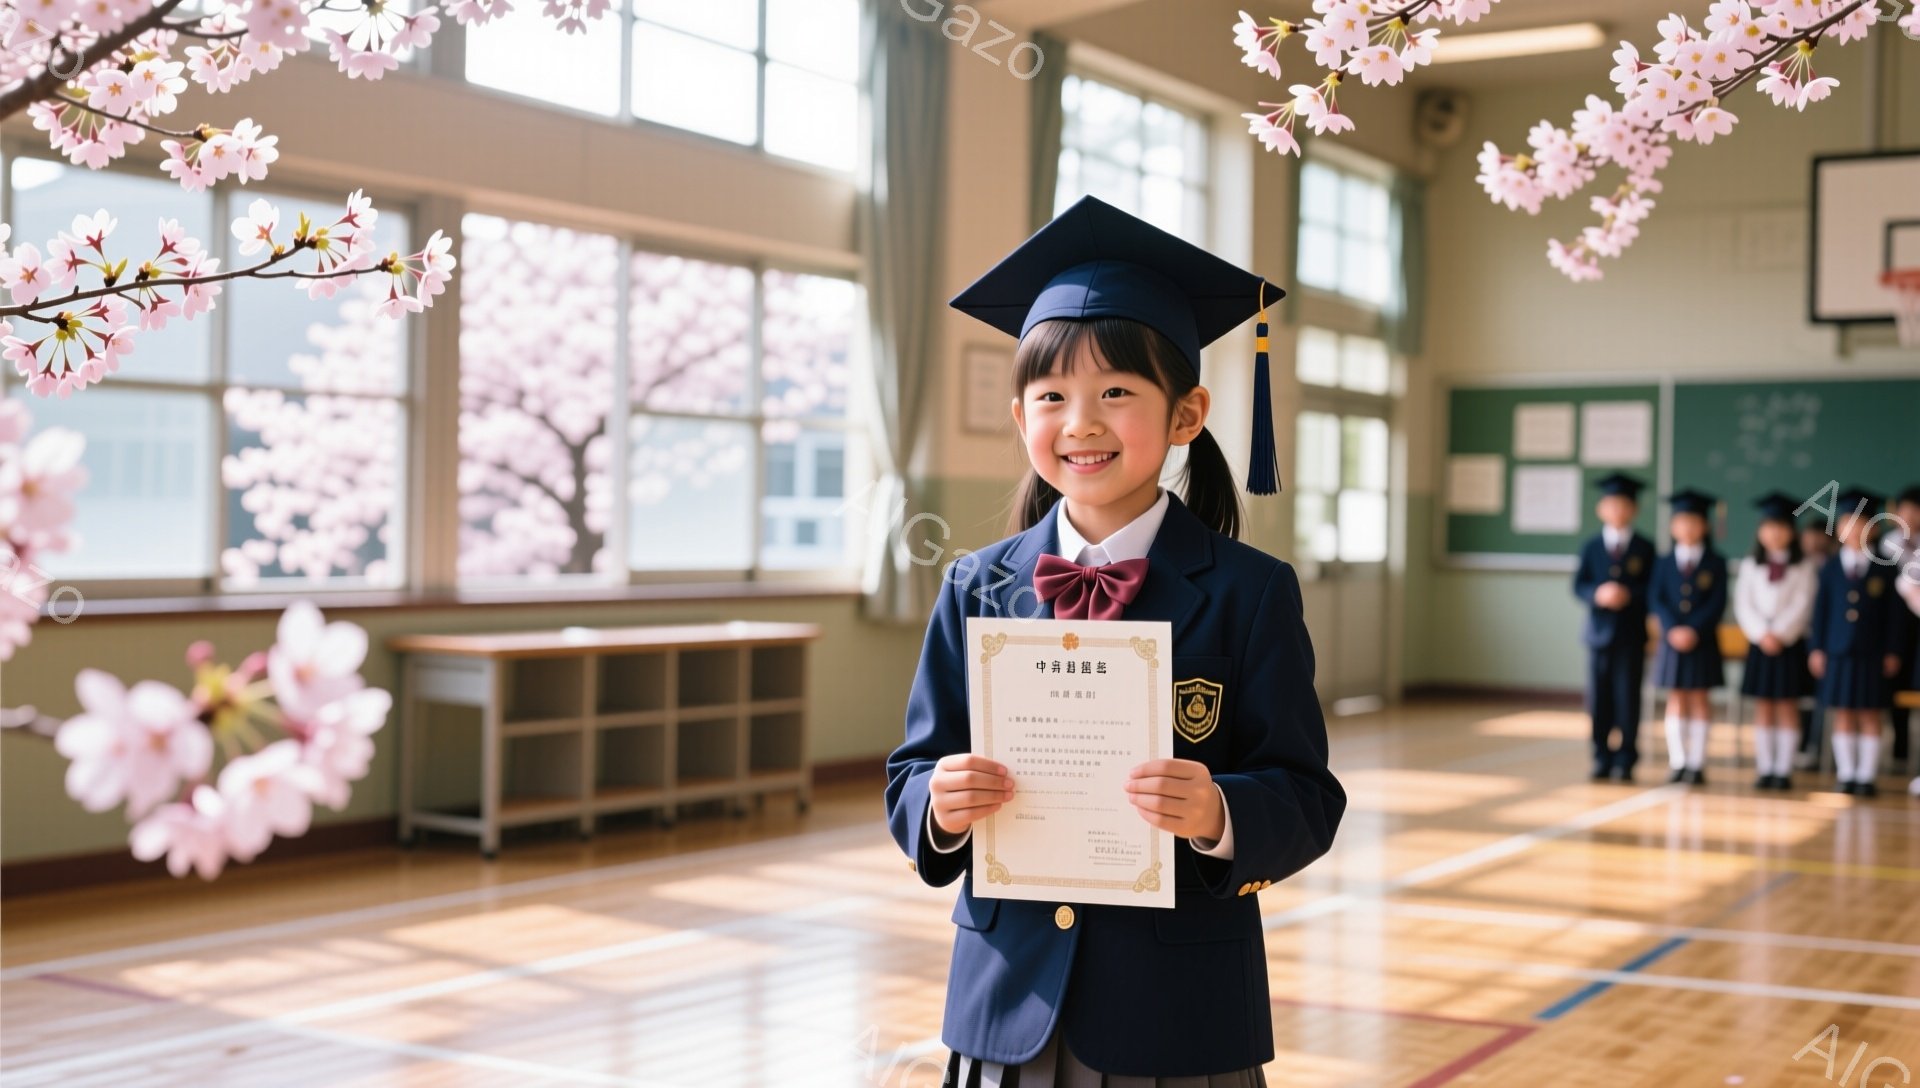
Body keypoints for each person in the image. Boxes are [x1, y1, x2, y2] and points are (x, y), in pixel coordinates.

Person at [884, 196, 1346, 1086]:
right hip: (1007, 1000)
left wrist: (1219, 813)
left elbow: (1306, 796)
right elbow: (912, 771)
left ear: (1187, 415)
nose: (1081, 423)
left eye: (1117, 393)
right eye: (1052, 397)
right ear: (1021, 417)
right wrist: (938, 804)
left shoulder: (1249, 592)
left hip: (1177, 1015)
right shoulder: (975, 583)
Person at [1810, 487, 1905, 797]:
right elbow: (1820, 612)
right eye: (1846, 523)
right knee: (1843, 712)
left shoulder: (1886, 566)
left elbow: (1895, 616)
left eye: (1861, 524)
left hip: (1872, 653)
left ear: (1874, 529)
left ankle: (1866, 776)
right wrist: (1817, 648)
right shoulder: (1829, 568)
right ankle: (1847, 774)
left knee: (1870, 712)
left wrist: (1893, 650)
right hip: (1837, 652)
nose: (1853, 530)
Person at [1572, 472, 1656, 782]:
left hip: (1631, 634)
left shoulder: (1645, 547)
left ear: (1634, 509)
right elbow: (1578, 585)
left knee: (1628, 698)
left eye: (1624, 505)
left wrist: (1627, 595)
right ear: (1601, 509)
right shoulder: (1592, 546)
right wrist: (1598, 594)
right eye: (1612, 505)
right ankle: (1601, 756)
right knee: (1599, 699)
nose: (1618, 510)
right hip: (1598, 634)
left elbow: (1653, 588)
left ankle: (1626, 758)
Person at [1733, 492, 1818, 790]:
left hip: (1789, 643)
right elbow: (1743, 604)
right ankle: (1765, 767)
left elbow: (1803, 604)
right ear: (1760, 531)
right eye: (1769, 527)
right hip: (1760, 643)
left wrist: (1779, 633)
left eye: (1781, 527)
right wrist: (1761, 633)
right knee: (1763, 706)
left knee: (1786, 705)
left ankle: (1783, 769)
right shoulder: (1750, 565)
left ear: (1792, 532)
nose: (1775, 533)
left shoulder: (1804, 566)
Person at [1650, 488, 1728, 785]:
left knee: (1699, 697)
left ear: (1705, 526)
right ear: (1672, 527)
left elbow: (1717, 602)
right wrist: (1672, 628)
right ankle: (1678, 761)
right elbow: (1656, 598)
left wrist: (1694, 629)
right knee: (1676, 697)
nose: (1688, 528)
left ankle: (1697, 763)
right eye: (1682, 522)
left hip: (1702, 639)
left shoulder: (1715, 562)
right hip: (1672, 640)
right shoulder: (1663, 561)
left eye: (1694, 522)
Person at [1878, 485, 1920, 767]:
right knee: (1896, 685)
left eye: (1916, 510)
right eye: (1905, 509)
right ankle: (1900, 747)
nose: (1911, 515)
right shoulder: (1885, 545)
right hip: (1894, 626)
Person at [1794, 522, 1837, 772]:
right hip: (1797, 637)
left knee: (1823, 698)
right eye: (1808, 536)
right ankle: (1801, 747)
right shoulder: (1797, 564)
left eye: (1819, 536)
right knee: (1801, 697)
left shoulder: (1832, 566)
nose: (1813, 542)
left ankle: (1820, 749)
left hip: (1828, 642)